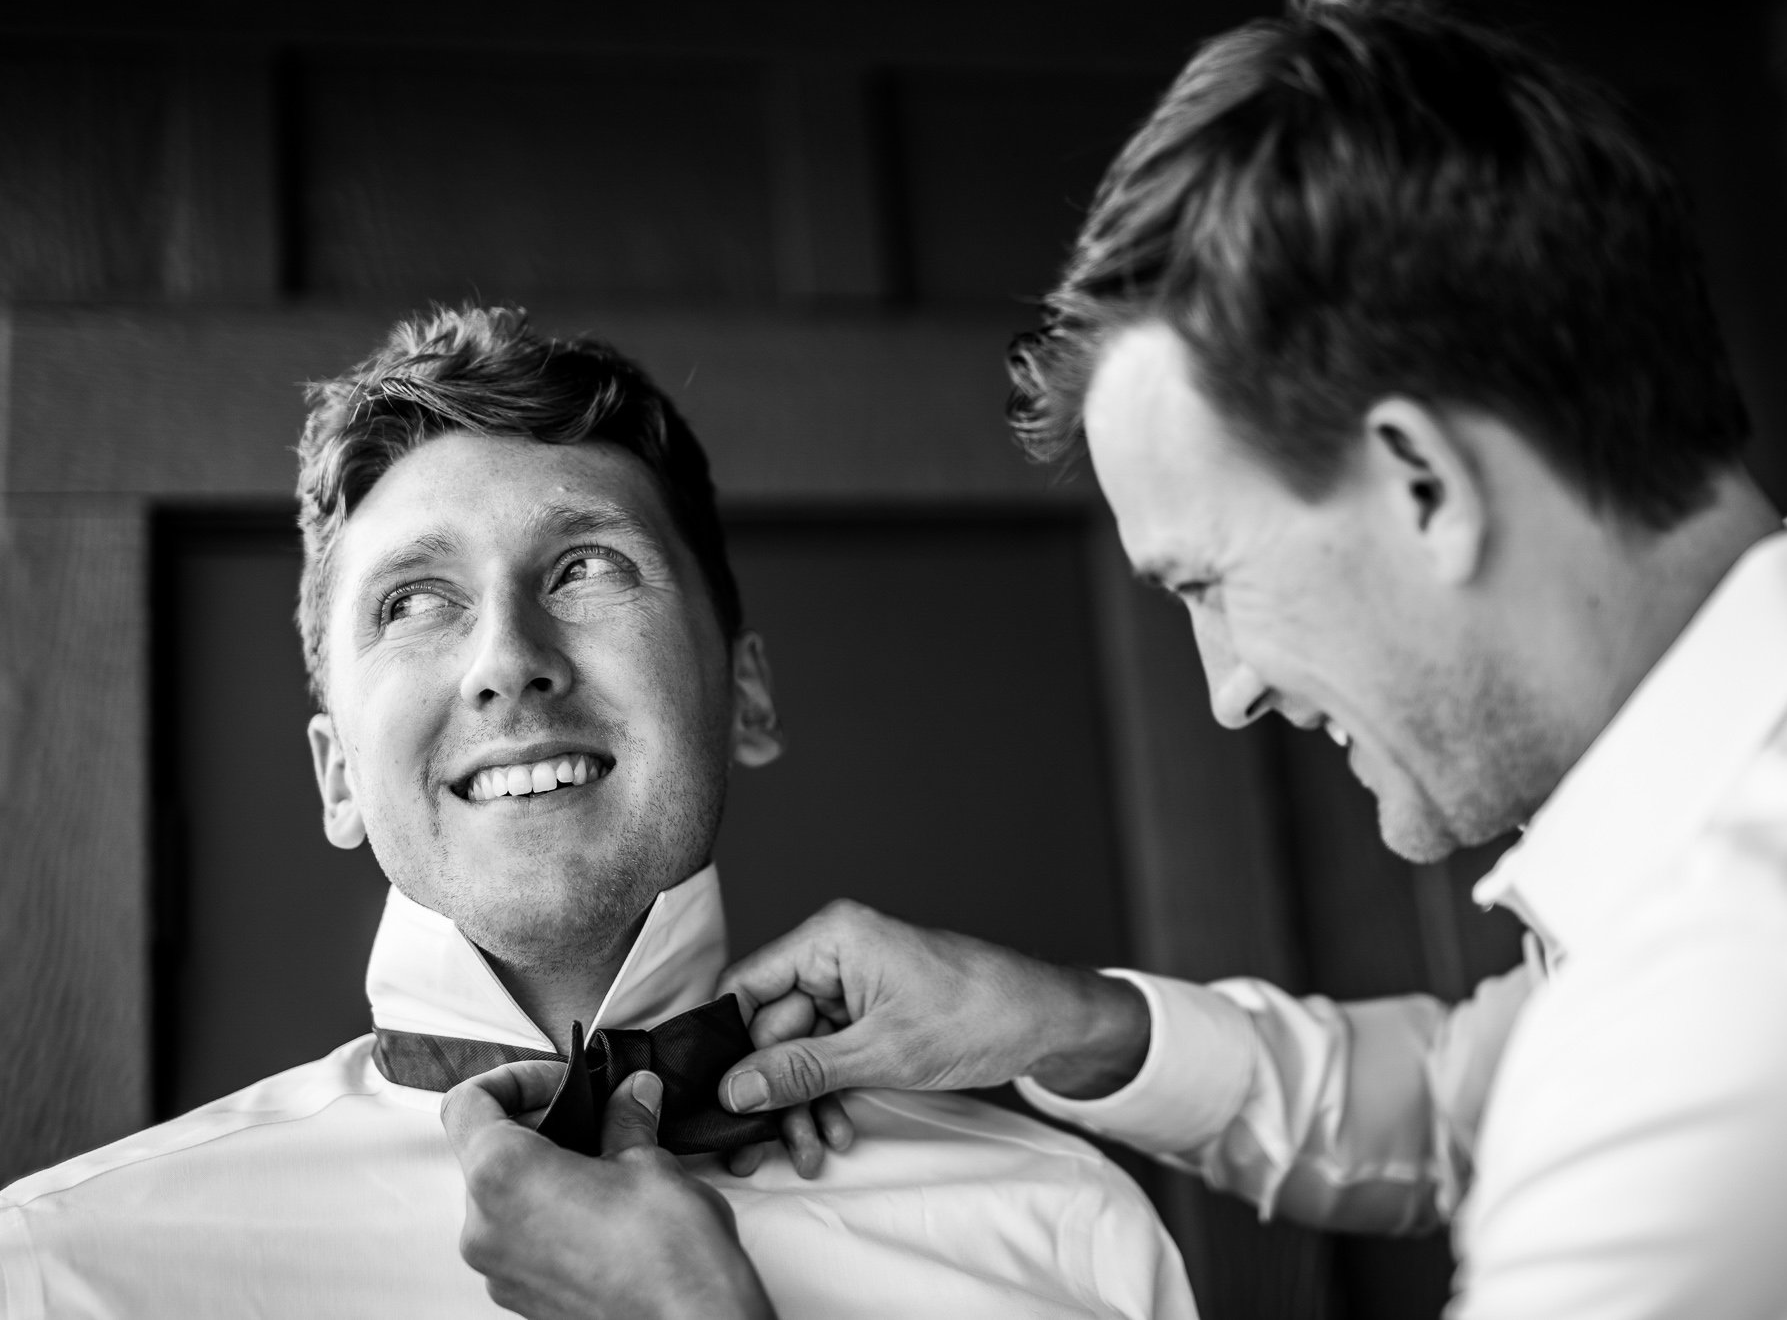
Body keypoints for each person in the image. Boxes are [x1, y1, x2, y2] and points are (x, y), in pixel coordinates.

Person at [447, 0, 1787, 1317]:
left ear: (1423, 482)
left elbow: (1633, 1089)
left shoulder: (1759, 1039)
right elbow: (1483, 1088)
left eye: (1210, 581)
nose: (1226, 689)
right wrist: (1070, 1024)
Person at [0, 306, 1193, 1320]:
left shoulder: (1062, 1239)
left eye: (586, 569)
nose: (507, 662)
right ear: (338, 778)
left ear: (747, 694)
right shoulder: (63, 1274)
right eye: (416, 601)